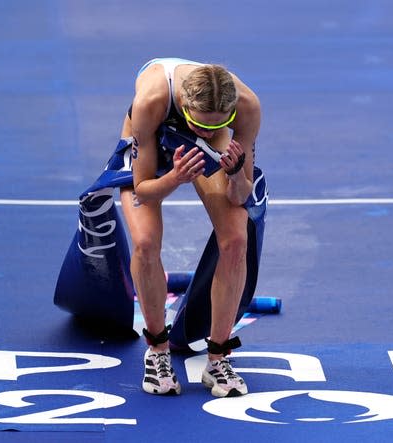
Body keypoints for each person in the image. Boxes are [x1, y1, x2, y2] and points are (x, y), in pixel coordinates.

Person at [118, 58, 261, 397]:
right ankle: (157, 351)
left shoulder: (247, 107)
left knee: (236, 241)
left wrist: (235, 172)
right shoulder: (151, 101)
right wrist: (175, 177)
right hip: (152, 139)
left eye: (219, 124)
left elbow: (241, 195)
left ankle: (218, 358)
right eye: (200, 126)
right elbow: (143, 190)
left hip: (203, 150)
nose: (208, 133)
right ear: (184, 105)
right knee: (146, 243)